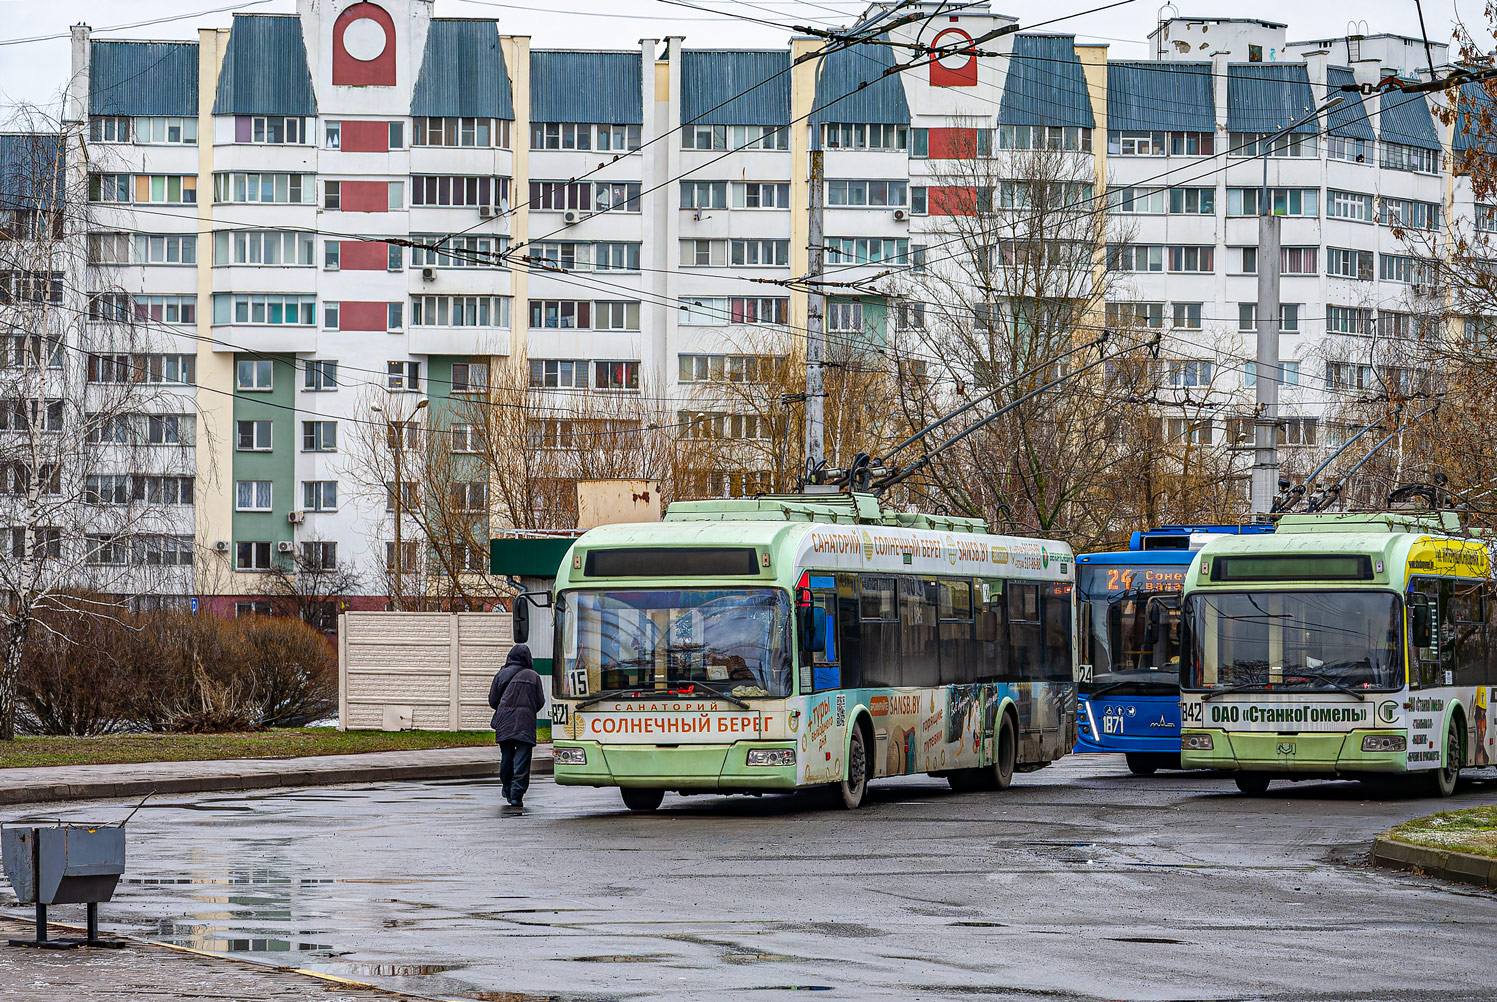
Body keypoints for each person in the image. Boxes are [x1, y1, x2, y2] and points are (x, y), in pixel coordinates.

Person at [488, 643, 546, 809]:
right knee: (522, 760)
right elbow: (540, 702)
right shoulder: (534, 676)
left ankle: (507, 787)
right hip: (525, 724)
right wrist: (527, 709)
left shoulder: (502, 674)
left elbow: (492, 701)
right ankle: (517, 796)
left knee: (506, 757)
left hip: (504, 723)